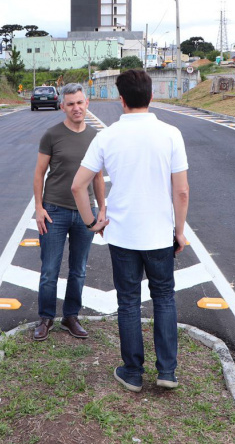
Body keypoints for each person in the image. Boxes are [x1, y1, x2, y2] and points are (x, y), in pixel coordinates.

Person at [71, 69, 189, 392]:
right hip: (159, 234)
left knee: (128, 301)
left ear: (121, 100)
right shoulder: (171, 134)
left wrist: (92, 222)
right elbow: (181, 191)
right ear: (151, 97)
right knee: (164, 297)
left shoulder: (106, 137)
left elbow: (78, 185)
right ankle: (167, 371)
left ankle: (133, 372)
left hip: (122, 235)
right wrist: (179, 231)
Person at [33, 83, 106, 342]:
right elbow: (40, 173)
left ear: (87, 104)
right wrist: (39, 208)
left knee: (79, 269)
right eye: (71, 103)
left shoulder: (96, 137)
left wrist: (101, 210)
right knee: (50, 269)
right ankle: (46, 318)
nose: (76, 107)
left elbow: (98, 178)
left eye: (80, 102)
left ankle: (71, 316)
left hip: (85, 213)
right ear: (62, 106)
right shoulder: (52, 135)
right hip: (54, 210)